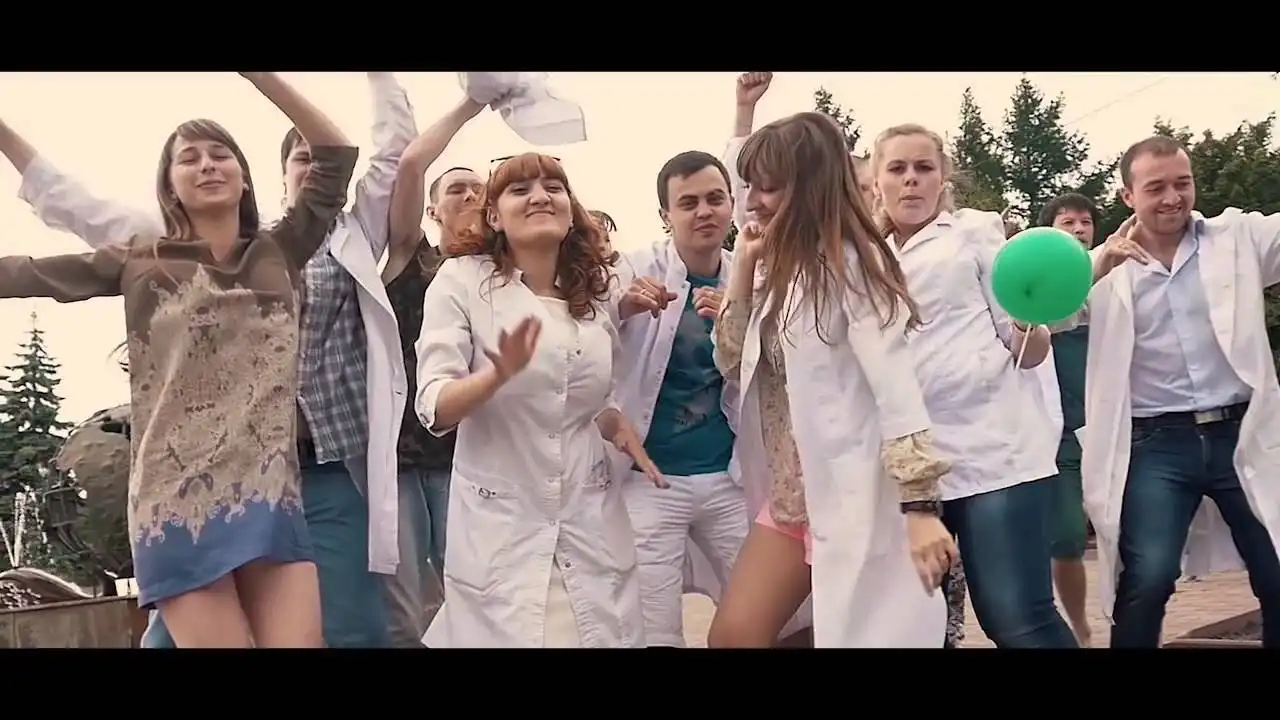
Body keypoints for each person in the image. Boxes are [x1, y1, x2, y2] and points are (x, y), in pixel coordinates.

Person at [4, 72, 418, 648]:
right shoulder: (142, 258)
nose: (207, 165)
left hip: (269, 494)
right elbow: (28, 273)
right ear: (170, 187)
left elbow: (334, 152)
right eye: (189, 158)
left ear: (244, 178)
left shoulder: (282, 248)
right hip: (178, 501)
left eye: (220, 154)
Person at [709, 111, 956, 647]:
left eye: (768, 187)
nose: (753, 202)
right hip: (792, 496)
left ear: (808, 187)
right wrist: (743, 266)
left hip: (853, 495)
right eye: (750, 186)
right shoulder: (783, 266)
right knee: (734, 636)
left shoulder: (855, 265)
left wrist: (919, 506)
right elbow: (730, 358)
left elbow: (896, 387)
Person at [416, 153, 661, 647]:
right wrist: (495, 375)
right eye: (520, 189)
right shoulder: (462, 280)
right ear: (493, 216)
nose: (539, 197)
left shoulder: (593, 292)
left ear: (570, 210)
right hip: (503, 530)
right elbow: (434, 404)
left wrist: (616, 425)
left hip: (589, 520)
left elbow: (592, 399)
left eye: (553, 187)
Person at [1064, 135, 1280, 648]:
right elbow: (1041, 318)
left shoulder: (1236, 238)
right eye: (1156, 187)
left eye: (1182, 183)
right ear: (1127, 196)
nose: (1172, 198)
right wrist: (1096, 266)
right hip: (1155, 445)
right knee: (1149, 576)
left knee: (1275, 565)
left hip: (1239, 432)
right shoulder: (1105, 268)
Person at [870, 122, 1078, 648]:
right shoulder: (866, 257)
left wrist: (1030, 326)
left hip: (995, 457)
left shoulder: (972, 235)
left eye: (924, 168)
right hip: (914, 471)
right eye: (898, 168)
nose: (911, 179)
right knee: (921, 630)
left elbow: (1027, 349)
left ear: (943, 178)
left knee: (1015, 618)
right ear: (876, 181)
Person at [610, 149, 748, 648]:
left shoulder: (749, 276)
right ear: (666, 215)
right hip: (651, 478)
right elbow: (582, 332)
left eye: (715, 199)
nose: (704, 212)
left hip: (729, 476)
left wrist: (739, 323)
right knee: (653, 628)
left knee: (771, 615)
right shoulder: (633, 269)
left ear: (732, 204)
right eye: (688, 203)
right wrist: (621, 308)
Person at [379, 95, 488, 644]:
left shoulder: (499, 274)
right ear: (432, 210)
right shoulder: (411, 258)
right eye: (457, 189)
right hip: (400, 456)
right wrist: (473, 103)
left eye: (479, 190)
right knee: (403, 607)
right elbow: (411, 164)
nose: (470, 196)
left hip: (472, 459)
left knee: (475, 595)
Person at [1036, 191, 1100, 646]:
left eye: (1085, 222)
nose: (1078, 229)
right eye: (1067, 222)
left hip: (1115, 428)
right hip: (1058, 435)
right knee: (1068, 537)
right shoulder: (1041, 286)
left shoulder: (1116, 276)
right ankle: (1079, 627)